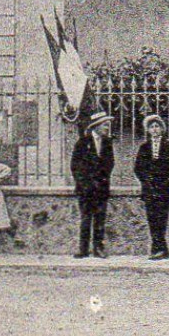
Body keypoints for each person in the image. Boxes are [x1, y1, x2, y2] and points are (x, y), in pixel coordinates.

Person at [134, 114, 169, 260]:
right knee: (152, 218)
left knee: (162, 218)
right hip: (149, 188)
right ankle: (159, 248)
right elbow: (138, 167)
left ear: (162, 129)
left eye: (157, 126)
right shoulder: (144, 147)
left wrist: (168, 181)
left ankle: (159, 248)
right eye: (151, 127)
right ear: (148, 130)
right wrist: (146, 181)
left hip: (165, 187)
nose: (154, 130)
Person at [71, 111, 114, 259]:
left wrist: (101, 180)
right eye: (105, 125)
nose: (107, 128)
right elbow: (75, 166)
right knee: (86, 218)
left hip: (101, 187)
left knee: (100, 218)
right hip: (86, 189)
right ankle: (83, 248)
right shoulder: (83, 143)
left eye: (108, 125)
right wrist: (85, 183)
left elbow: (110, 164)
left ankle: (98, 248)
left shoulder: (108, 143)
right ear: (96, 126)